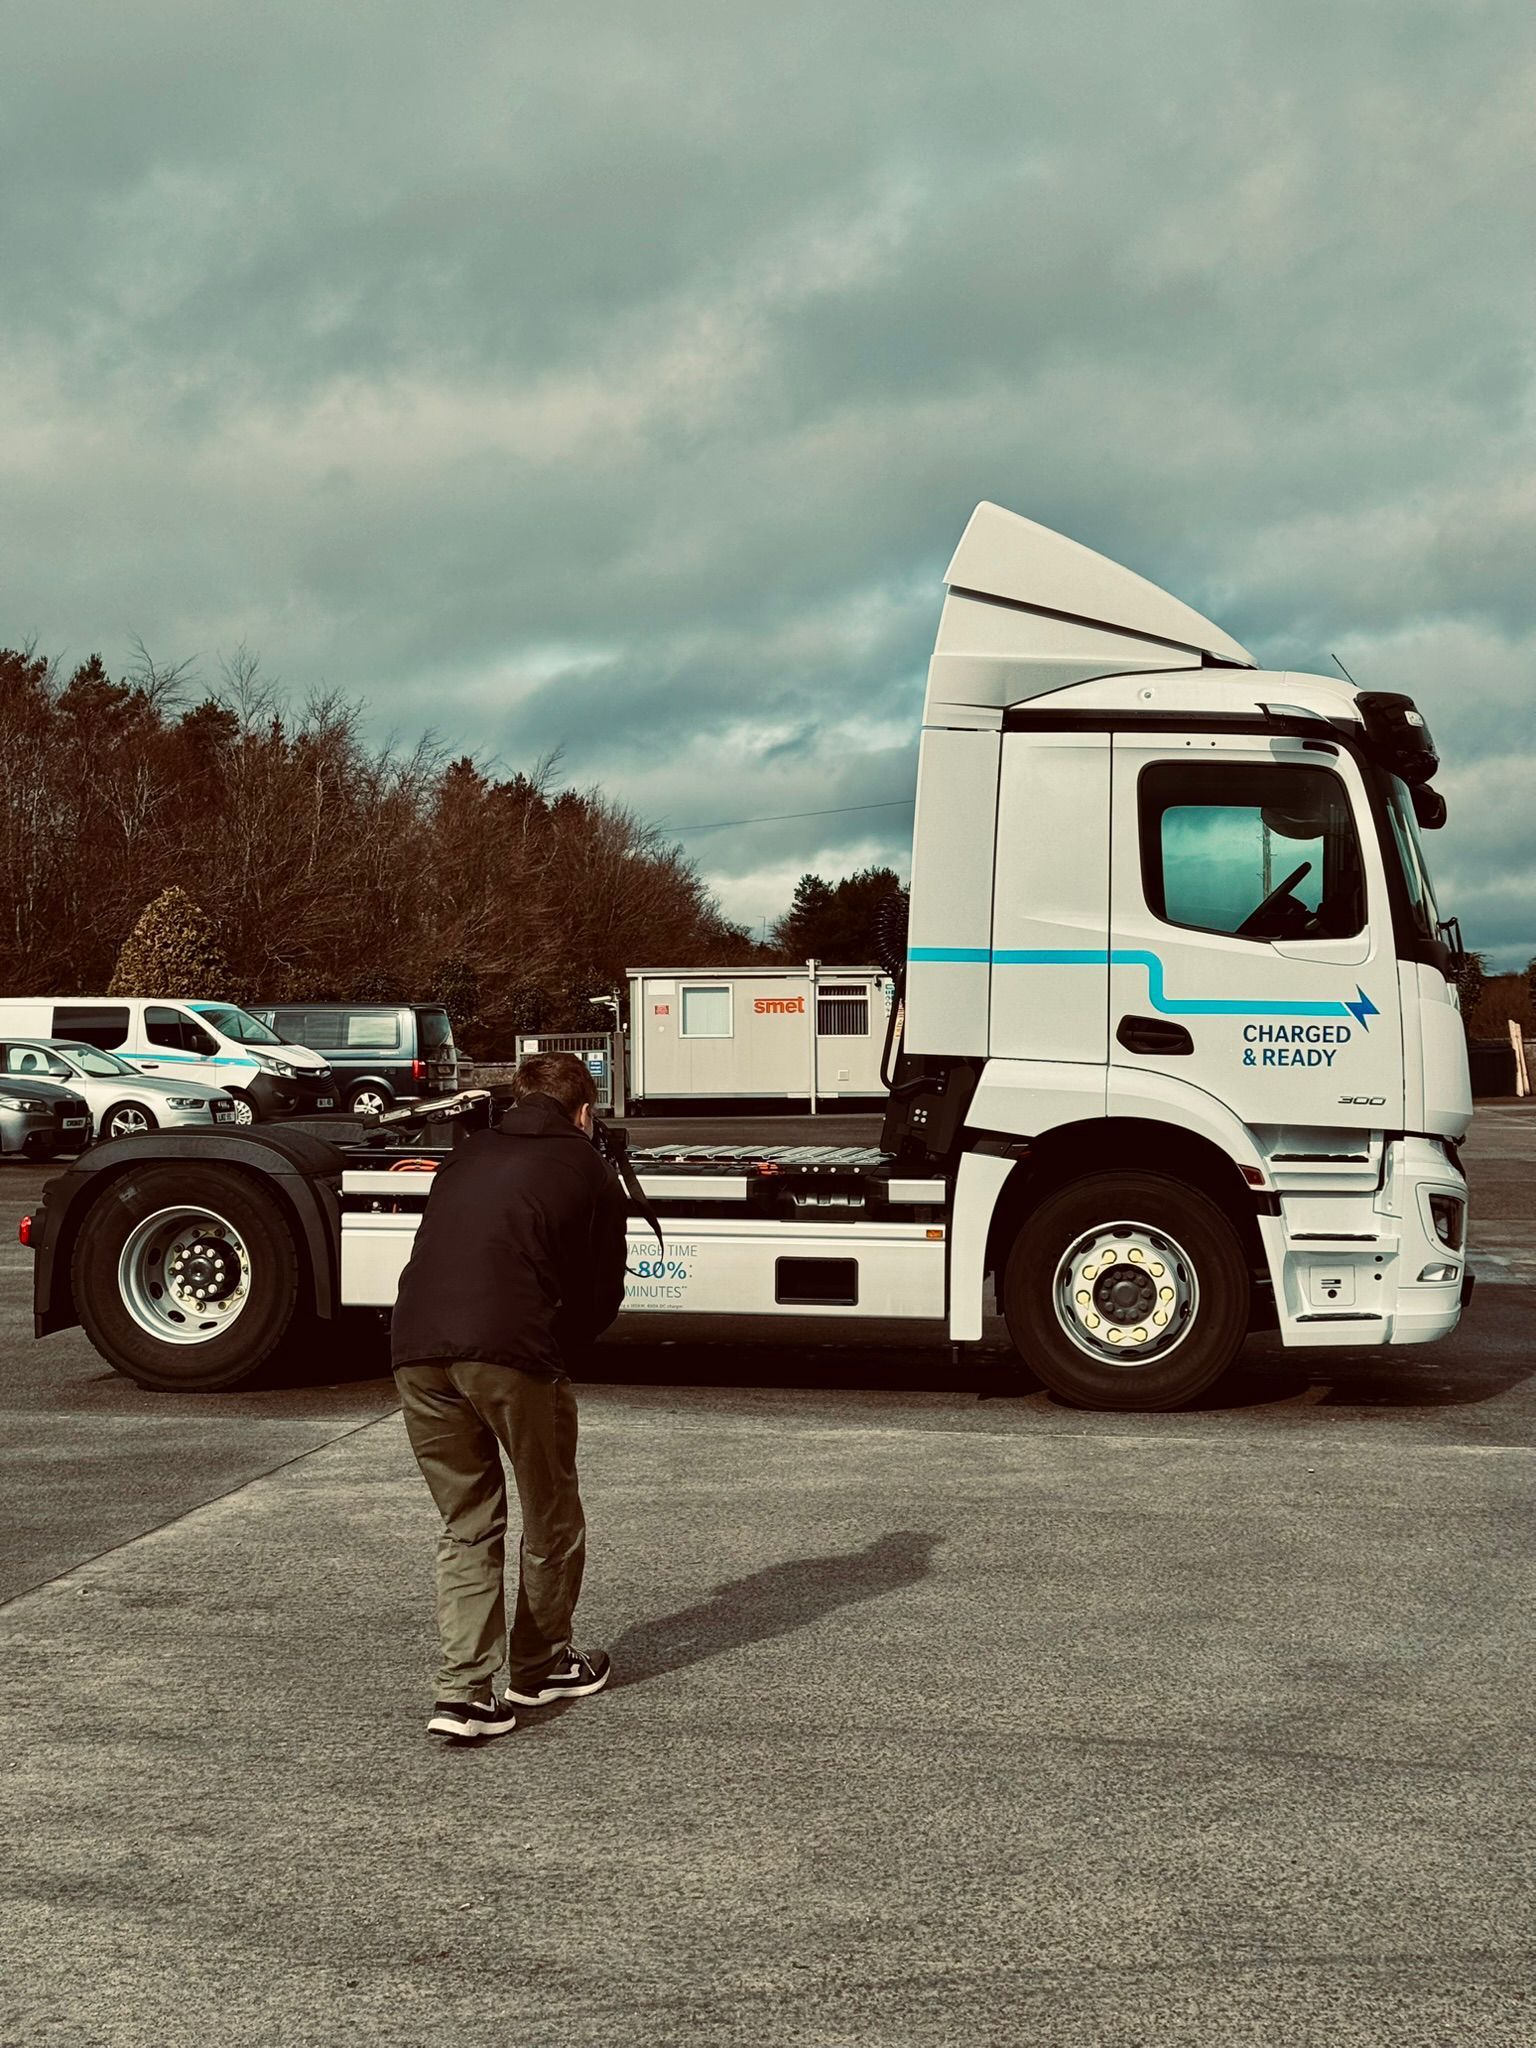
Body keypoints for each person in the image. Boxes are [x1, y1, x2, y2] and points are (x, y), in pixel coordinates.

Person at [391, 1050, 629, 1740]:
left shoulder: (466, 1154)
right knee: (551, 1513)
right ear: (583, 1112)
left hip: (415, 1347)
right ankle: (541, 1664)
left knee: (467, 1519)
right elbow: (599, 1292)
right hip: (512, 1349)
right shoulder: (587, 1165)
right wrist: (556, 1350)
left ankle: (464, 1694)